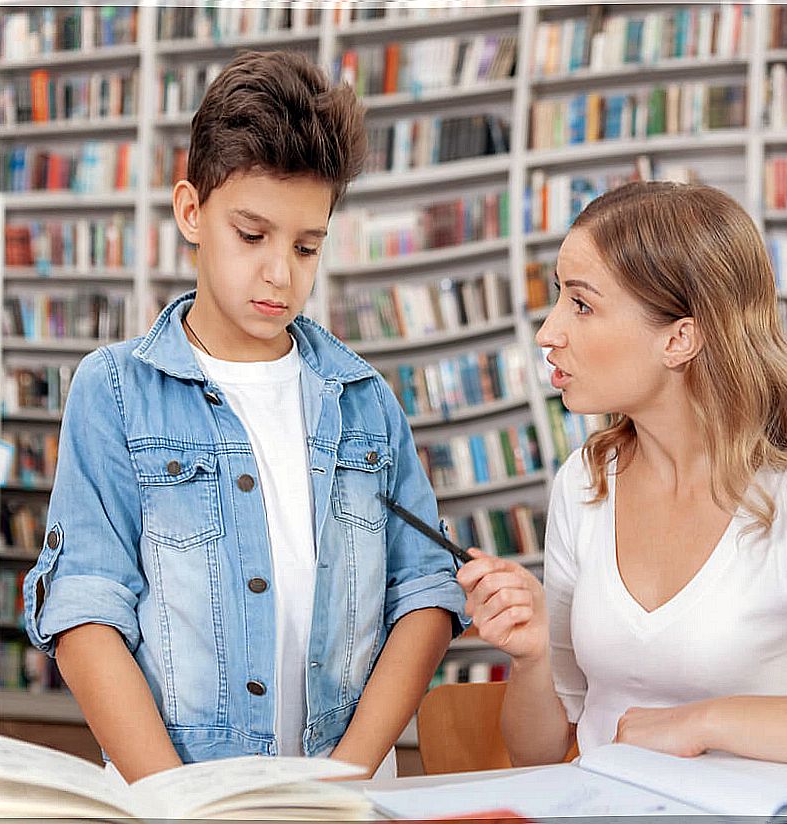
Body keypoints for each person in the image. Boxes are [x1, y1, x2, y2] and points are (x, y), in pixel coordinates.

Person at [23, 51, 467, 782]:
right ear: (192, 212)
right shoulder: (114, 392)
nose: (280, 275)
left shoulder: (365, 402)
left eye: (306, 246)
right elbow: (85, 611)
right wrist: (176, 801)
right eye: (252, 236)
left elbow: (424, 594)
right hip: (177, 791)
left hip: (344, 789)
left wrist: (342, 782)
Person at [457, 181, 787, 778]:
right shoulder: (584, 483)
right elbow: (539, 753)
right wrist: (531, 659)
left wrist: (704, 722)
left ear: (679, 338)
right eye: (559, 298)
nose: (547, 332)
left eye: (580, 304)